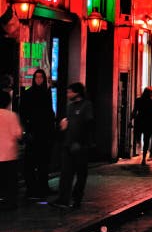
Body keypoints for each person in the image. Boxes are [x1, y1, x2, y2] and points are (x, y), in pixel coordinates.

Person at [50, 82, 94, 209]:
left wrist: (81, 142)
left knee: (81, 173)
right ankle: (63, 198)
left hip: (80, 146)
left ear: (77, 93)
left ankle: (76, 198)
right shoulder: (69, 107)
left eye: (70, 92)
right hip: (68, 144)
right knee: (65, 173)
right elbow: (68, 124)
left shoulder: (86, 105)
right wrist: (63, 127)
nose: (68, 94)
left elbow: (88, 125)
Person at [21, 68, 56, 199]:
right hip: (33, 133)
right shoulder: (28, 94)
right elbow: (23, 113)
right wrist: (27, 131)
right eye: (37, 77)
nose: (39, 80)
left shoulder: (46, 93)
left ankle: (42, 187)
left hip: (44, 134)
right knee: (30, 163)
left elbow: (49, 113)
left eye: (41, 77)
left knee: (43, 163)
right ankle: (31, 188)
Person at [0, 90, 23, 210]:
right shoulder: (12, 115)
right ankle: (11, 202)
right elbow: (18, 134)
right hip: (10, 154)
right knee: (10, 180)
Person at [132, 87, 152, 164]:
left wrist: (131, 120)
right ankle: (143, 158)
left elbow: (134, 111)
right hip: (149, 121)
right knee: (146, 140)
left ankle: (140, 151)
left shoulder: (138, 100)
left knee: (138, 137)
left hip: (140, 120)